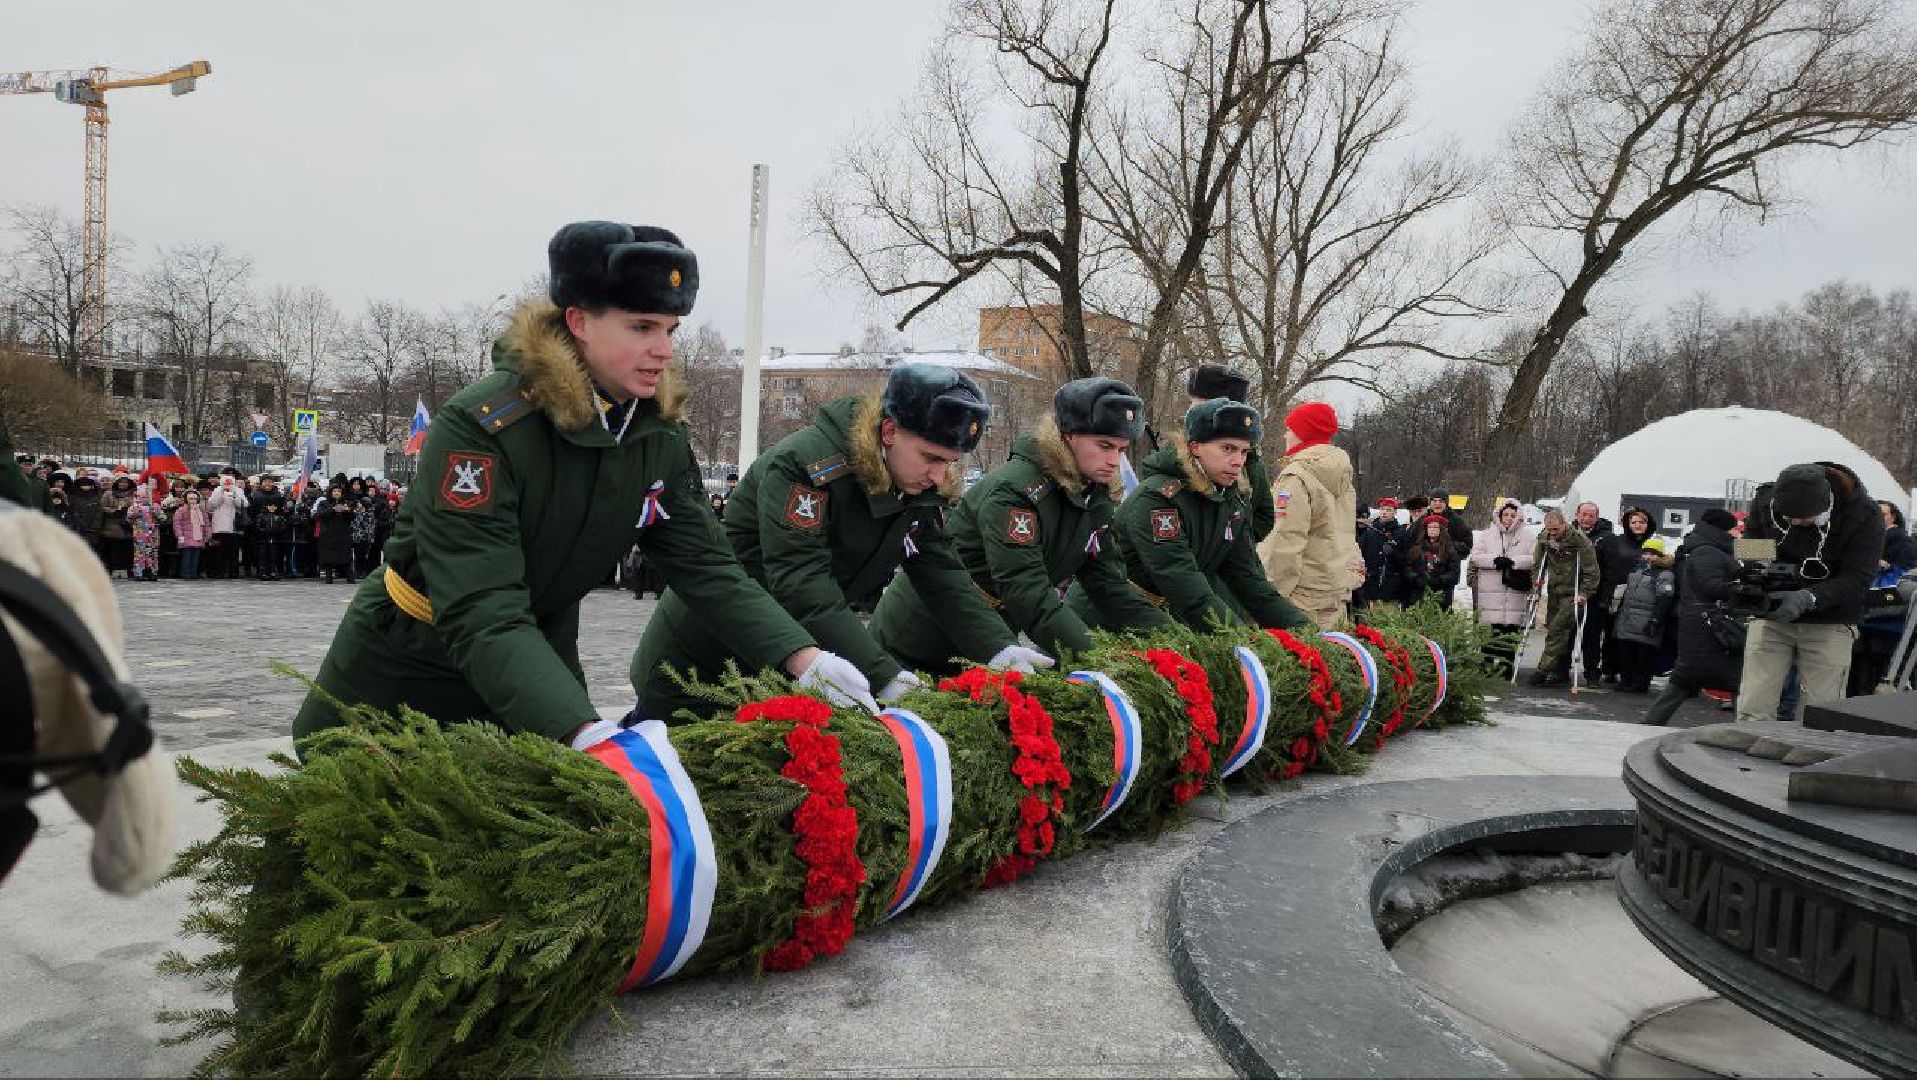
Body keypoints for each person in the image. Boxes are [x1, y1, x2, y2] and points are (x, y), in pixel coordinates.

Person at [294, 220, 868, 750]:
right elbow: (483, 608)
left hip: (538, 656)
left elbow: (708, 567)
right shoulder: (486, 426)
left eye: (669, 329)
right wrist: (579, 729)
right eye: (641, 326)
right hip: (411, 662)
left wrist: (804, 657)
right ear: (579, 321)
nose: (664, 349)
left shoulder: (654, 433)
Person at [632, 361, 1047, 721]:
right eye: (931, 458)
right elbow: (801, 583)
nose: (939, 475)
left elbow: (941, 573)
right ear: (888, 430)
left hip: (791, 663)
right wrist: (881, 673)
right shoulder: (806, 468)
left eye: (952, 463)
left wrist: (999, 650)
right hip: (699, 660)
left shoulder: (916, 487)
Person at [871, 377, 1169, 674]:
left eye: (1121, 449)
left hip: (989, 642)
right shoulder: (1016, 492)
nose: (1114, 460)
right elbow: (1027, 592)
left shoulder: (1093, 497)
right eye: (1104, 446)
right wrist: (1098, 661)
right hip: (919, 642)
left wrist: (1175, 645)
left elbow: (1108, 583)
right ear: (1068, 436)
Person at [1077, 398, 1309, 633]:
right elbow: (1180, 579)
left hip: (1157, 618)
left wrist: (1308, 633)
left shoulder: (1231, 501)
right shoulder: (1159, 499)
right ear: (1195, 447)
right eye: (1227, 448)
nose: (1238, 461)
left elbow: (1248, 579)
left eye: (1244, 451)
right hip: (1101, 620)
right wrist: (1241, 640)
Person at [1734, 462, 1885, 723]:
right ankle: (1745, 749)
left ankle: (1812, 754)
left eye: (1803, 519)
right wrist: (1758, 574)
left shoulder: (1865, 515)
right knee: (1753, 701)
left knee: (1821, 709)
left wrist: (1809, 597)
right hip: (1771, 613)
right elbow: (1752, 546)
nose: (1795, 524)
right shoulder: (1765, 500)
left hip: (1830, 620)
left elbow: (1857, 576)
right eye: (1788, 518)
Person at [1256, 401, 1364, 628]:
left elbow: (1284, 542)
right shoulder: (1343, 477)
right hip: (1334, 592)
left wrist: (1269, 598)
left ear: (1302, 434)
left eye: (1290, 430)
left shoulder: (1297, 477)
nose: (1285, 435)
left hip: (1300, 600)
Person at [1644, 508, 1745, 725]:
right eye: (1735, 529)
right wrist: (1740, 588)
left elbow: (1766, 553)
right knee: (1736, 681)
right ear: (1723, 530)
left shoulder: (1709, 547)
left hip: (1703, 626)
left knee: (1684, 682)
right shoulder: (1708, 552)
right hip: (1711, 629)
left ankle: (1648, 726)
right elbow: (1709, 586)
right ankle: (1744, 729)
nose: (1739, 533)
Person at [1186, 365, 1275, 543]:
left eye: (1197, 405)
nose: (1190, 412)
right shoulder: (1188, 444)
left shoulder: (1247, 461)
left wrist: (1229, 544)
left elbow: (1264, 516)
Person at [1527, 508, 1599, 687]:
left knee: (1557, 631)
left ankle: (1542, 670)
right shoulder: (1544, 537)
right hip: (1554, 591)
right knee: (1554, 628)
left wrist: (1584, 593)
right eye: (1549, 530)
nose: (1553, 534)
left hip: (1572, 594)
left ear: (1564, 524)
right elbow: (1538, 565)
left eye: (1556, 530)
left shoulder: (1579, 540)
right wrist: (1536, 588)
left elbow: (1592, 571)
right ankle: (1558, 671)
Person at [1468, 499, 1538, 678]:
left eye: (1513, 515)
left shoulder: (1528, 536)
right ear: (1499, 515)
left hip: (1514, 590)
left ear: (1519, 517)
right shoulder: (1487, 534)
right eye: (1505, 514)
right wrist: (1494, 560)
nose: (1508, 518)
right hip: (1490, 590)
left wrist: (1514, 562)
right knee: (1490, 631)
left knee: (1510, 631)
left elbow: (1534, 559)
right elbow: (1475, 557)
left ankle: (1507, 665)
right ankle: (1487, 665)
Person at [1609, 535, 1675, 693]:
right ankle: (1626, 680)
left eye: (1652, 554)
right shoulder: (1637, 569)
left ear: (1660, 555)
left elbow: (1664, 599)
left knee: (1643, 655)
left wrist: (1655, 620)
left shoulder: (1664, 574)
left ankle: (1640, 683)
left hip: (1646, 620)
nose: (1648, 557)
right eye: (1646, 553)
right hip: (1628, 618)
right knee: (1626, 652)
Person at [1573, 501, 1621, 684]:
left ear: (1596, 518)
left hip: (1595, 594)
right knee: (1567, 633)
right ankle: (1560, 669)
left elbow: (1611, 570)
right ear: (1577, 515)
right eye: (1583, 514)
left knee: (1591, 637)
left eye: (1590, 516)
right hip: (1570, 591)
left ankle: (1592, 673)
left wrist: (1605, 598)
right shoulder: (1569, 533)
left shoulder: (1606, 538)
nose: (1586, 519)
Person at [1400, 514, 1462, 606]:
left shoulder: (1450, 550)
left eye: (1435, 527)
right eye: (1429, 527)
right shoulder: (1416, 549)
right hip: (1417, 596)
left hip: (1440, 597)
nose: (1432, 529)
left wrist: (1439, 580)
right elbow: (1407, 567)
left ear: (1441, 529)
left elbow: (1454, 574)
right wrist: (1416, 578)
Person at [1357, 498, 1406, 608]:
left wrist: (1393, 553)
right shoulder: (1370, 533)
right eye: (1382, 509)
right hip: (1371, 586)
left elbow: (1405, 560)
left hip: (1391, 587)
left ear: (1395, 512)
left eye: (1388, 510)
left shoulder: (1400, 533)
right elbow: (1359, 554)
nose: (1384, 512)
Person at [313, 483, 358, 584]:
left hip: (343, 533)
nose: (336, 493)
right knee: (328, 556)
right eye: (334, 491)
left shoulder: (346, 502)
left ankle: (350, 577)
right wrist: (332, 509)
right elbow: (319, 515)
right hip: (328, 533)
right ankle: (329, 577)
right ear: (330, 492)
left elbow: (352, 517)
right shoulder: (324, 503)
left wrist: (347, 511)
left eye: (339, 491)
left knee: (346, 556)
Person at [172, 488, 211, 579]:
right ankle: (186, 573)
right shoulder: (181, 510)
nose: (193, 500)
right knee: (187, 556)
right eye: (190, 498)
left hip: (198, 537)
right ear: (186, 499)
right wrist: (180, 535)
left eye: (194, 498)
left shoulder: (201, 510)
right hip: (186, 537)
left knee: (195, 557)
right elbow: (177, 523)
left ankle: (193, 573)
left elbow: (206, 523)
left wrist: (207, 534)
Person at [127, 484, 162, 582]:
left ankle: (152, 572)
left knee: (152, 554)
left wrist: (156, 513)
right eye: (141, 496)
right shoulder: (134, 506)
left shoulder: (155, 506)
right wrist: (137, 512)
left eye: (146, 496)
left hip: (153, 535)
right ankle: (139, 572)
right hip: (140, 535)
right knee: (140, 554)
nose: (144, 499)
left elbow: (163, 518)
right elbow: (129, 518)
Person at [1881, 500, 1916, 573]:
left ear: (1893, 518)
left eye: (1883, 514)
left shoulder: (1898, 536)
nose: (1878, 517)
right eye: (1875, 514)